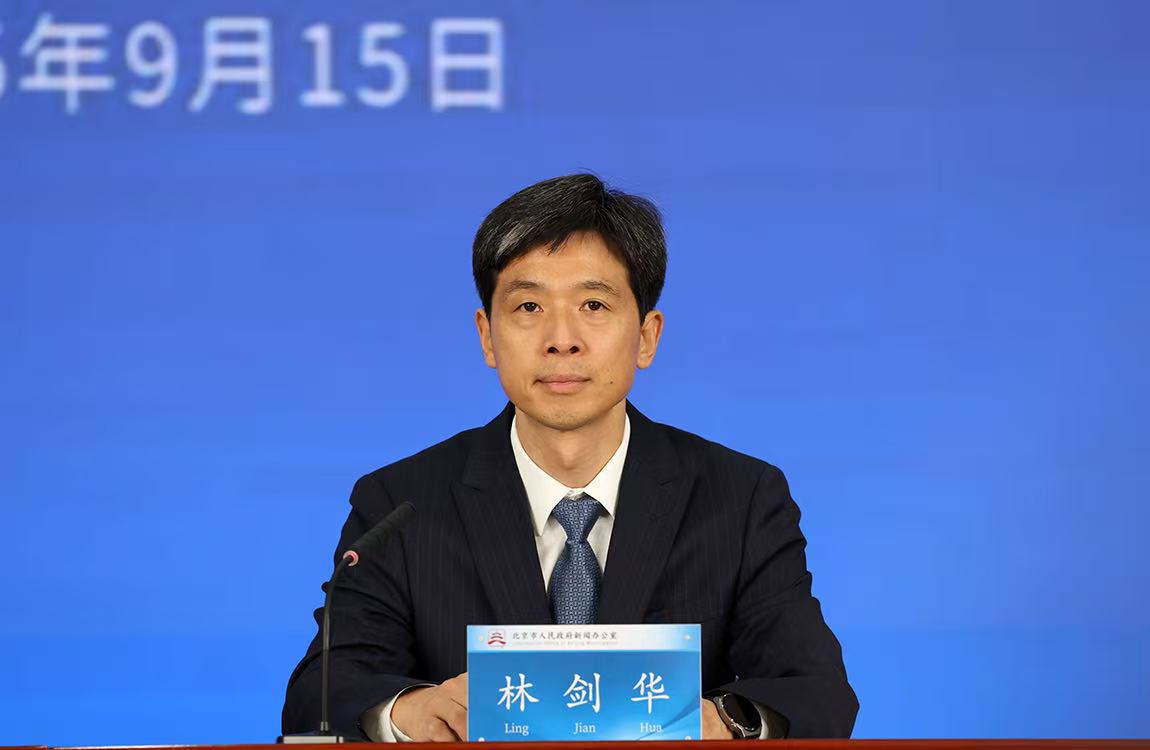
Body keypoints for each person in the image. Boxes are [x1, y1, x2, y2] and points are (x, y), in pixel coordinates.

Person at [282, 174, 858, 741]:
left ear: (647, 336)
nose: (562, 338)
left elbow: (816, 693)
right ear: (487, 336)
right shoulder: (400, 505)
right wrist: (407, 713)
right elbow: (320, 693)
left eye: (593, 304)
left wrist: (728, 721)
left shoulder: (740, 498)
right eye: (529, 305)